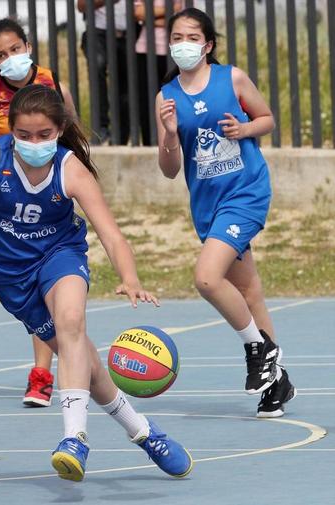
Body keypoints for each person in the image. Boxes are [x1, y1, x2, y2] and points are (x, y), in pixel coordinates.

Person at [0, 83, 192, 482]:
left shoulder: (70, 169)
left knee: (71, 321)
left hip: (60, 257)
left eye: (44, 135)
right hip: (11, 277)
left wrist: (130, 276)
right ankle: (144, 432)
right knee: (86, 365)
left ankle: (74, 439)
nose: (34, 142)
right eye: (24, 135)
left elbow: (111, 233)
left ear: (60, 130)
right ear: (10, 130)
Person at [156, 8, 295, 417]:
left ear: (208, 44)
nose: (183, 44)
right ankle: (277, 381)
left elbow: (266, 118)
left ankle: (259, 349)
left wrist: (244, 130)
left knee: (206, 277)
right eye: (176, 37)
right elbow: (168, 170)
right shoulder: (166, 97)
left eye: (192, 37)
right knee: (249, 291)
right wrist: (167, 135)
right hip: (208, 205)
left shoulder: (230, 78)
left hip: (246, 193)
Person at [0, 18, 77, 408]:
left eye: (15, 49)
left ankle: (42, 373)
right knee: (29, 287)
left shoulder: (53, 84)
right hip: (4, 197)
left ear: (28, 46)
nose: (10, 58)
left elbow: (74, 134)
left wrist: (79, 181)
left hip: (48, 195)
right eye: (0, 55)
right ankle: (55, 369)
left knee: (51, 284)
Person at [77, 0, 131, 144]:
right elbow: (81, 6)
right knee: (98, 69)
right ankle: (101, 127)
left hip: (130, 33)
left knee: (127, 84)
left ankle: (121, 135)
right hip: (98, 32)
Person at [134, 0, 183, 145]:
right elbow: (139, 13)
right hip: (145, 51)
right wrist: (170, 9)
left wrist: (151, 17)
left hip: (175, 52)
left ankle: (176, 141)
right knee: (147, 102)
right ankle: (151, 142)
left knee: (175, 101)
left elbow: (184, 19)